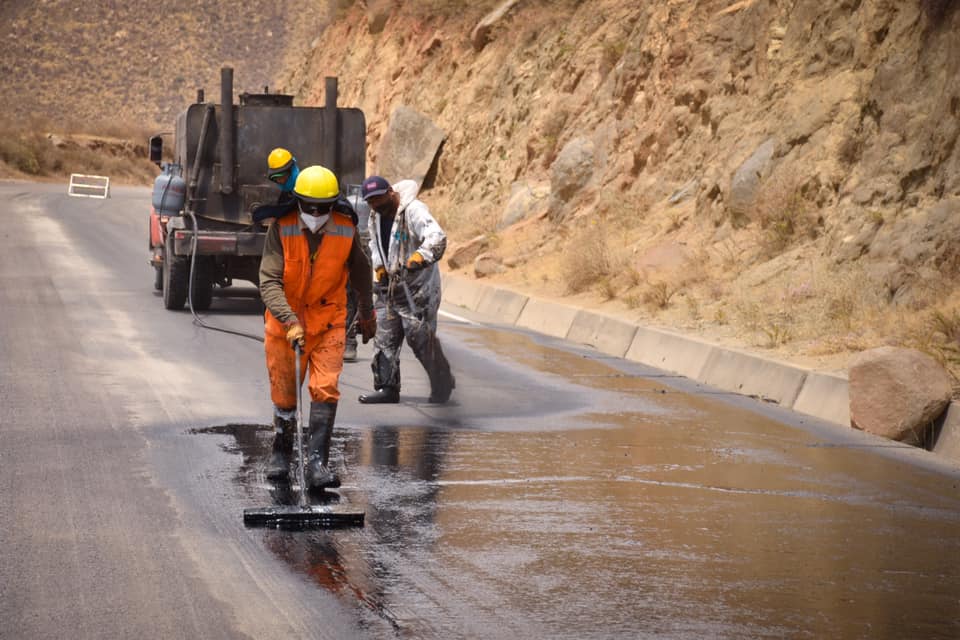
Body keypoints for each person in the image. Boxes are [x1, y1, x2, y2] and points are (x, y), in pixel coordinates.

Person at [259, 165, 376, 489]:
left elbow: (362, 272)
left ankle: (316, 465)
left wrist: (367, 312)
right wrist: (289, 320)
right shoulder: (281, 229)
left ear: (332, 205)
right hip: (285, 325)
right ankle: (281, 455)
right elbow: (269, 281)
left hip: (328, 323)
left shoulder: (345, 228)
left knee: (325, 387)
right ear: (297, 202)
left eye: (322, 208)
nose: (315, 213)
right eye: (309, 207)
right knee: (285, 394)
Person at [358, 175, 455, 405]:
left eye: (379, 199)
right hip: (390, 288)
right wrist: (380, 268)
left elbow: (436, 238)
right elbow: (375, 245)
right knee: (384, 337)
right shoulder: (375, 216)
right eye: (371, 201)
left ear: (390, 192)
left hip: (417, 289)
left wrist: (418, 258)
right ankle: (386, 387)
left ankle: (443, 382)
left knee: (419, 337)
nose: (376, 205)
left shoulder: (413, 210)